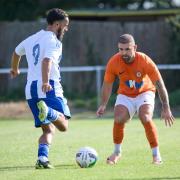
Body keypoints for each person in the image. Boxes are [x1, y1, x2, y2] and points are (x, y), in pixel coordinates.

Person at [96, 34, 174, 165]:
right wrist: (103, 104)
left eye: (127, 49)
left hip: (145, 92)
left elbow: (159, 84)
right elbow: (107, 84)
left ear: (135, 47)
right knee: (118, 118)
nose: (123, 53)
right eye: (120, 49)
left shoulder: (144, 60)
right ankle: (117, 152)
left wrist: (166, 107)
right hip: (125, 95)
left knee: (145, 117)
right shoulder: (114, 62)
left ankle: (156, 155)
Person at [10, 8, 71, 169]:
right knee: (63, 125)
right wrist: (45, 82)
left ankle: (42, 159)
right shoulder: (53, 41)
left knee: (48, 130)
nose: (66, 29)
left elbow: (16, 52)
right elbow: (46, 61)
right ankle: (49, 111)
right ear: (57, 24)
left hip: (30, 89)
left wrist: (15, 69)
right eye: (65, 25)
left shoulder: (32, 38)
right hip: (48, 85)